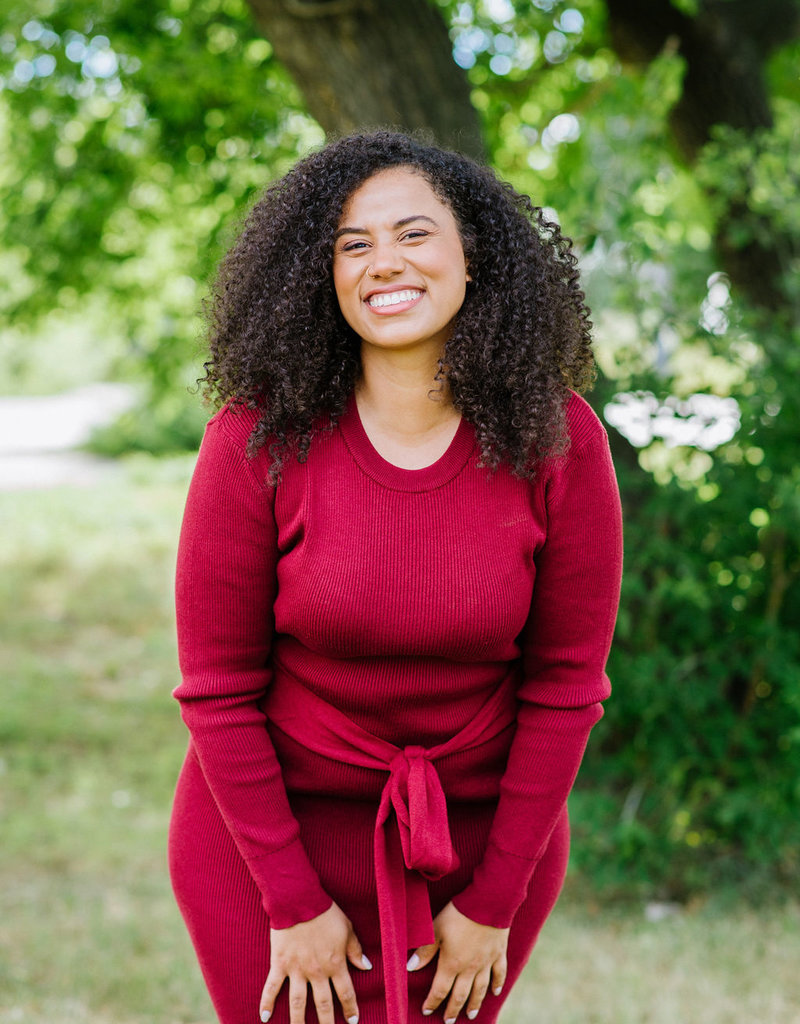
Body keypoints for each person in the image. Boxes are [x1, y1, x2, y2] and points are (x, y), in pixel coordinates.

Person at [169, 130, 623, 1024]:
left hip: (479, 850)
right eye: (352, 243)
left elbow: (566, 689)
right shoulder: (255, 438)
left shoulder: (560, 441)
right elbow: (218, 692)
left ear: (472, 258)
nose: (384, 263)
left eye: (414, 234)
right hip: (266, 844)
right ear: (321, 274)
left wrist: (494, 902)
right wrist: (292, 902)